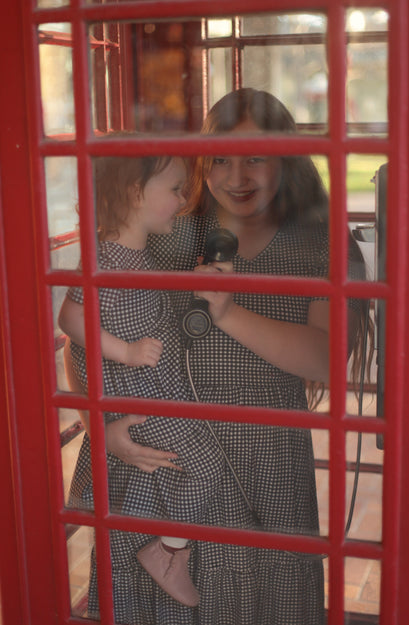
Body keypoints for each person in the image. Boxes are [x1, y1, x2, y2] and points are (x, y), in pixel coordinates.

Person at [60, 88, 371, 625]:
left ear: (287, 157)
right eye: (220, 159)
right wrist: (98, 423)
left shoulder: (318, 240)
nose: (236, 177)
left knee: (265, 599)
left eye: (255, 156)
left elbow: (326, 358)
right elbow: (85, 330)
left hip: (265, 459)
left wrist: (227, 313)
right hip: (163, 458)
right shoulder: (168, 231)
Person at [60, 152, 225, 609]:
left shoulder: (138, 254)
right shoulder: (106, 256)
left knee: (189, 469)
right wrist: (125, 351)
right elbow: (71, 318)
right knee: (207, 463)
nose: (182, 199)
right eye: (174, 190)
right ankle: (168, 552)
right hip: (138, 404)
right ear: (136, 193)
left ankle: (158, 548)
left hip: (156, 398)